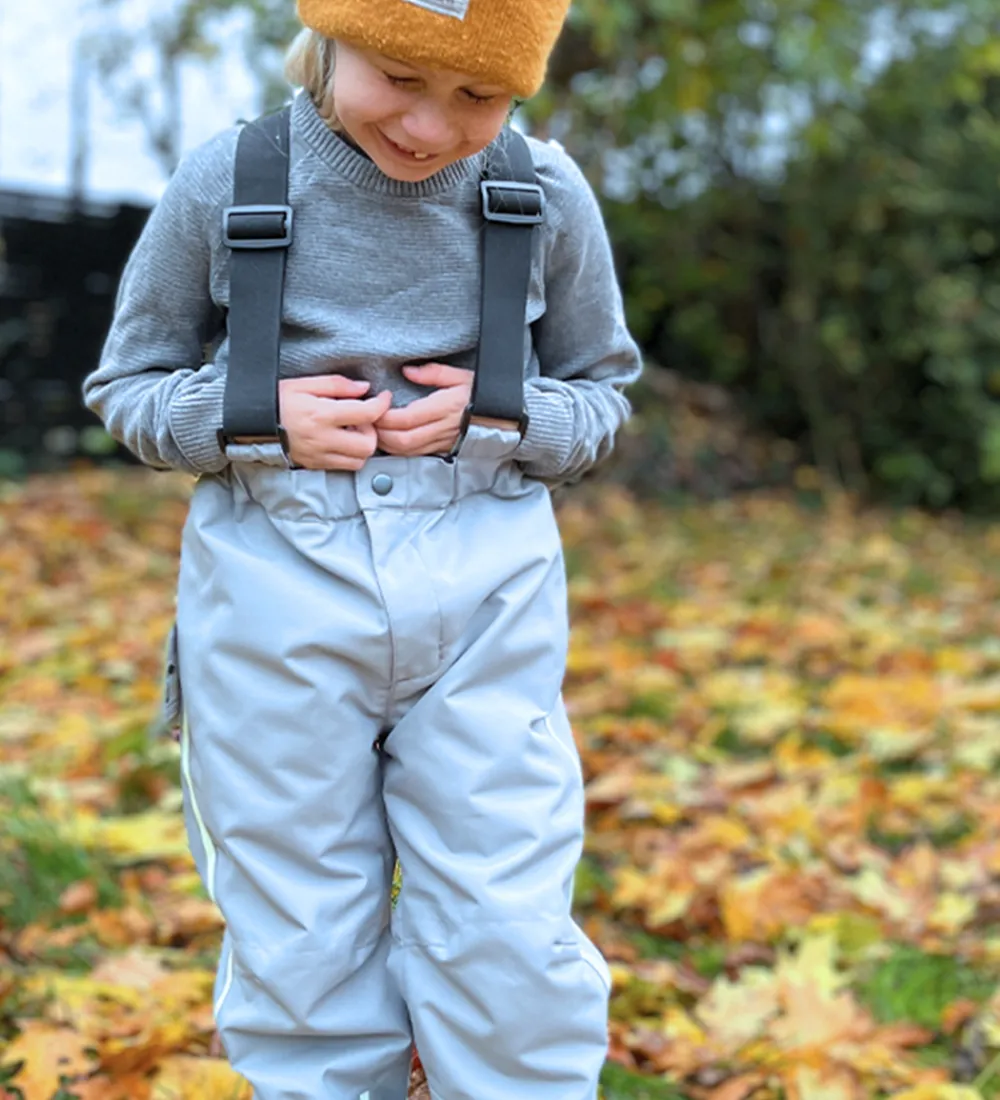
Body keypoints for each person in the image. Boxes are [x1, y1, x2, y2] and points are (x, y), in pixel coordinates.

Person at [83, 1, 642, 1096]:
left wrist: (511, 412)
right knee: (299, 925)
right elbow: (127, 387)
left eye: (479, 95)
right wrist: (251, 413)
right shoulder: (228, 180)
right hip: (274, 596)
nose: (430, 126)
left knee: (506, 918)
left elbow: (602, 398)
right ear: (330, 34)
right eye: (398, 76)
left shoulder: (543, 196)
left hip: (484, 598)